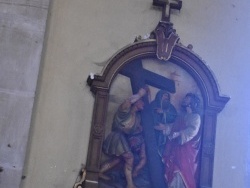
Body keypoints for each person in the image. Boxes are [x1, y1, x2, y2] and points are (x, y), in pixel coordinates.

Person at [99, 88, 148, 188]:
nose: (143, 105)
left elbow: (134, 130)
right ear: (137, 102)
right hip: (117, 137)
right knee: (130, 158)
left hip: (123, 139)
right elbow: (128, 101)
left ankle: (99, 172)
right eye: (142, 102)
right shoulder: (124, 111)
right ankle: (130, 184)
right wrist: (139, 94)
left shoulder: (137, 117)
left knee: (118, 159)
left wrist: (139, 130)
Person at [163, 93, 201, 188]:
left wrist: (179, 134)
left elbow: (192, 130)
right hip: (176, 148)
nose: (184, 100)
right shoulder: (181, 116)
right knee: (174, 170)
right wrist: (164, 127)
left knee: (183, 171)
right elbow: (173, 127)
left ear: (192, 102)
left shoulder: (196, 117)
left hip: (187, 151)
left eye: (187, 99)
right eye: (185, 98)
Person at [150, 90, 177, 156]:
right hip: (154, 131)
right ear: (160, 96)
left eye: (167, 96)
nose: (166, 98)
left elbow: (174, 117)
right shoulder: (153, 105)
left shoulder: (171, 107)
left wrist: (164, 113)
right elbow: (149, 117)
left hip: (166, 132)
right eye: (164, 95)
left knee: (165, 150)